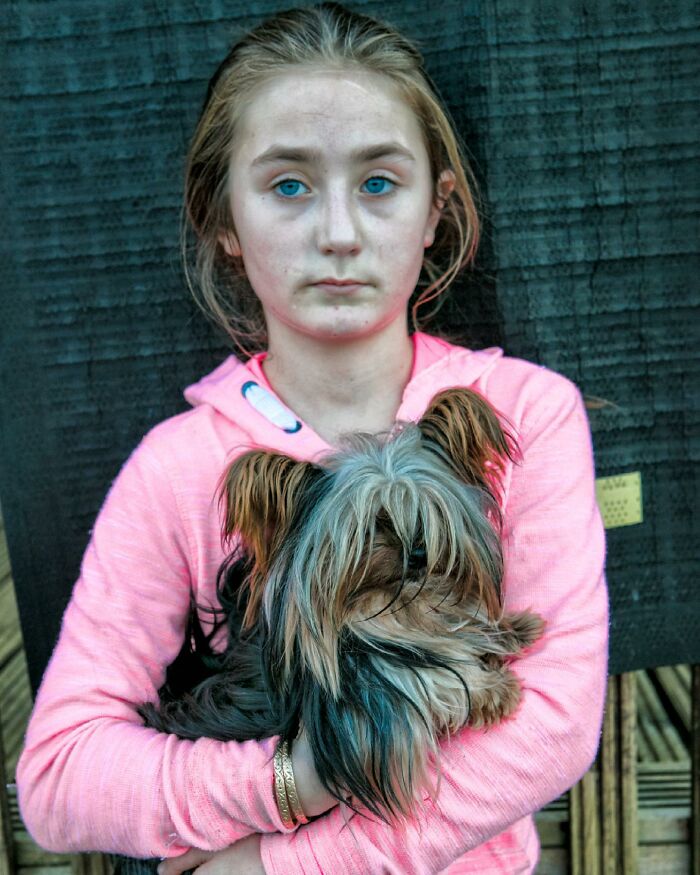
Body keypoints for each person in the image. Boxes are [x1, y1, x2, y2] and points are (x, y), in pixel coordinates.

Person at [15, 3, 609, 873]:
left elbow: (551, 726)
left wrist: (273, 863)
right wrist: (288, 783)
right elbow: (59, 778)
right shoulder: (178, 467)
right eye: (288, 184)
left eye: (378, 183)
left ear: (437, 209)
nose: (338, 232)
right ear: (223, 219)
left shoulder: (527, 413)